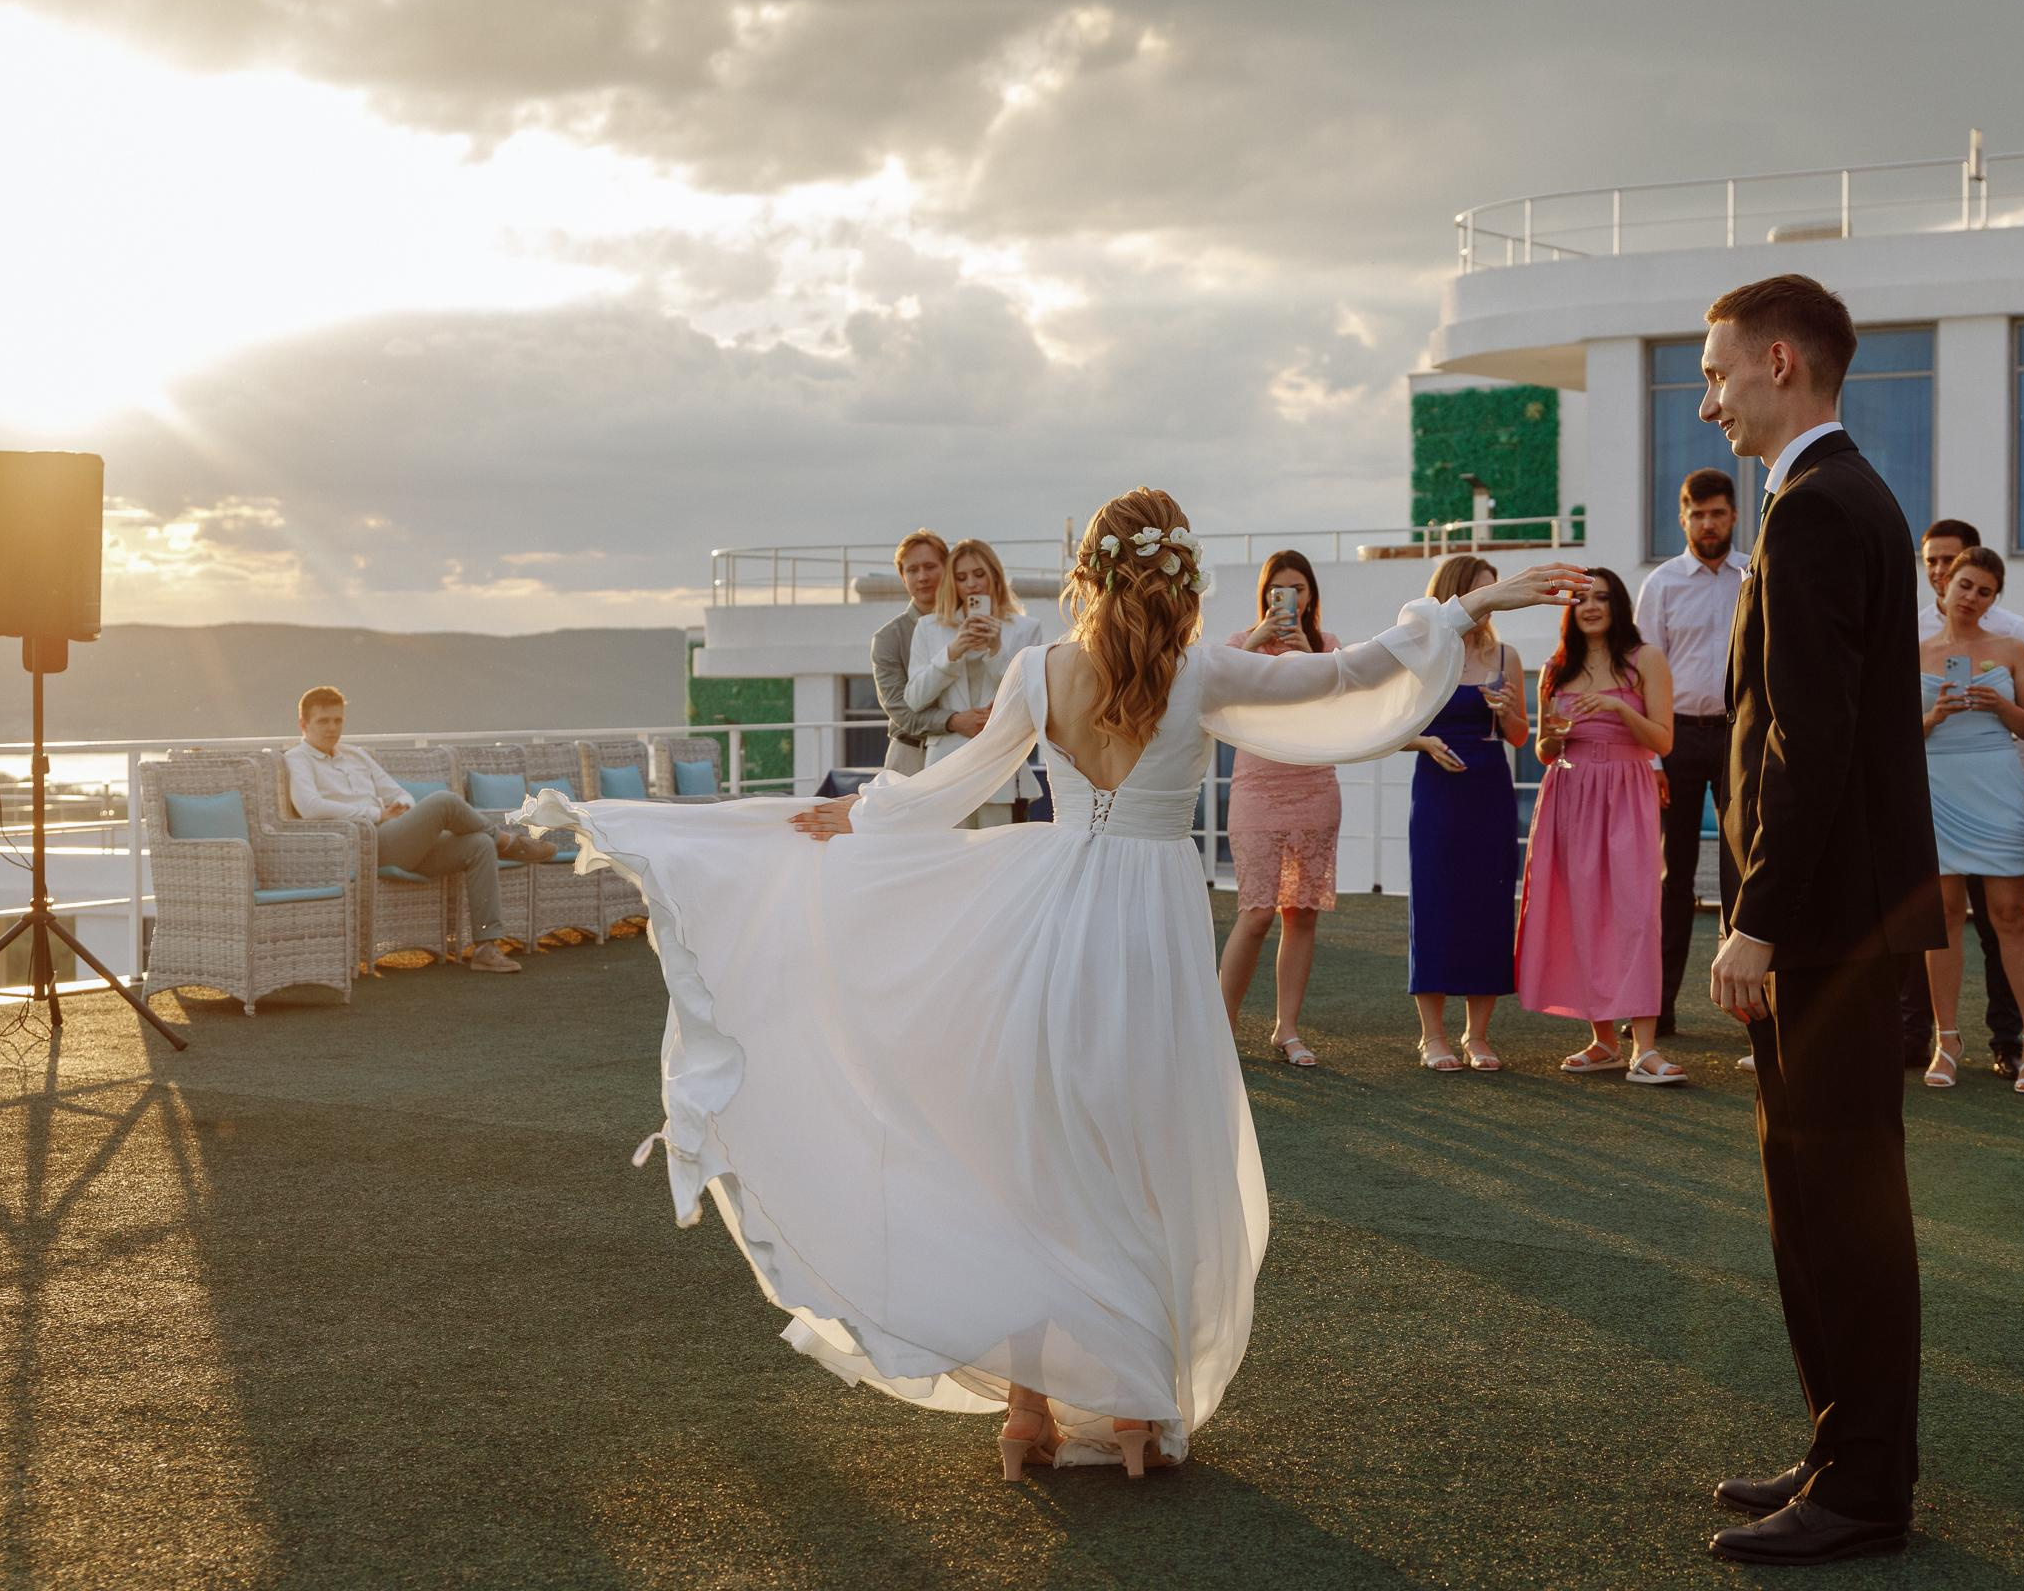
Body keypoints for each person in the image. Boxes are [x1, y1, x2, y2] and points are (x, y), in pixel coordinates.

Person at [520, 487, 1583, 1480]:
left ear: (1089, 572)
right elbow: (1352, 673)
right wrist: (1471, 604)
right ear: (1177, 575)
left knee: (1038, 1149)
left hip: (1048, 916)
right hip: (1152, 928)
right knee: (1139, 1150)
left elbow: (947, 788)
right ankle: (1130, 1414)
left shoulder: (1039, 673)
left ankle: (1029, 1408)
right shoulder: (1203, 672)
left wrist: (858, 815)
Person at [1702, 274, 1944, 1566]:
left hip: (1828, 931)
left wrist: (1760, 920)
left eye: (1719, 372)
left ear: (1781, 361)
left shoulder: (1816, 512)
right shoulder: (1834, 501)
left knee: (1841, 1204)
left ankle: (1863, 1487)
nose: (1709, 399)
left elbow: (1812, 741)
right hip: (1841, 922)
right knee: (1817, 1197)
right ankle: (1843, 1448)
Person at [1516, 568, 1683, 1084]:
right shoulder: (1555, 669)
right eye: (1582, 599)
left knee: (1636, 914)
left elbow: (1663, 741)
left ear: (1618, 606)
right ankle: (1603, 1040)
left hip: (1627, 790)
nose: (1591, 607)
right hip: (1570, 792)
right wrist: (1554, 739)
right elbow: (1544, 750)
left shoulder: (1645, 660)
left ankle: (1645, 1049)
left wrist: (1614, 705)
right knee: (1584, 912)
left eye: (1602, 598)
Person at [1895, 518, 2024, 1076]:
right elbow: (1891, 738)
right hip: (1937, 790)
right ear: (1945, 582)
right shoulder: (1909, 649)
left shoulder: (2011, 647)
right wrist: (1933, 716)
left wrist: (1999, 707)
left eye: (1984, 591)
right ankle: (1948, 1040)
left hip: (1997, 784)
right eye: (1965, 585)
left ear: (1993, 599)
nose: (1972, 597)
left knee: (2009, 914)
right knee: (1943, 915)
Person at [283, 686, 554, 975]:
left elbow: (399, 792)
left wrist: (402, 809)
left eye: (338, 720)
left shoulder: (356, 755)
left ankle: (486, 948)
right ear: (303, 724)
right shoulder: (296, 759)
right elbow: (311, 807)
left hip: (399, 837)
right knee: (444, 801)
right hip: (365, 844)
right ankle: (508, 842)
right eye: (323, 721)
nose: (332, 728)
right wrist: (376, 813)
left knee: (478, 845)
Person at [1633, 467, 1748, 1040]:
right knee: (1669, 879)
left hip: (1737, 735)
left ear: (1733, 516)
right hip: (1673, 737)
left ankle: (1753, 1014)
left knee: (1744, 873)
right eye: (1697, 514)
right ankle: (1657, 1007)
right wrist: (1651, 759)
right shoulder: (1661, 585)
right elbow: (1639, 677)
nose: (1708, 523)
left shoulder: (1754, 575)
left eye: (1718, 513)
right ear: (1683, 518)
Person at [1217, 551, 1342, 1067]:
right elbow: (1224, 690)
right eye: (1278, 589)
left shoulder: (1329, 647)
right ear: (1265, 593)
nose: (1289, 597)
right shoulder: (1236, 646)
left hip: (1315, 784)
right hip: (1257, 788)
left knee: (1302, 913)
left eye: (1298, 588)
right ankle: (1220, 1028)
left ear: (1310, 594)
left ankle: (1286, 1029)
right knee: (1257, 912)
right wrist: (1257, 640)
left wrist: (1308, 651)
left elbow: (1338, 705)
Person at [1404, 555, 1526, 1072]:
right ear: (1455, 596)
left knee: (1488, 904)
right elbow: (1389, 727)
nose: (1490, 602)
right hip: (1436, 790)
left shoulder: (1506, 654)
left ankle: (1477, 1035)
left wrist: (1508, 712)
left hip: (1490, 789)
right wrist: (1426, 743)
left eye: (1494, 592)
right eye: (1481, 592)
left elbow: (1521, 736)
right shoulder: (1424, 654)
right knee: (1434, 906)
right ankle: (1432, 1036)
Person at [903, 538, 1044, 827]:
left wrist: (996, 651)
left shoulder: (1026, 628)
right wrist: (952, 653)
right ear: (951, 582)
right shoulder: (929, 627)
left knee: (999, 860)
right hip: (946, 766)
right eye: (961, 577)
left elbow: (1029, 698)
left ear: (995, 575)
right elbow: (915, 698)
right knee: (948, 858)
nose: (971, 584)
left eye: (979, 574)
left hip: (1000, 764)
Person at [871, 529, 983, 774]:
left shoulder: (978, 624)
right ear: (902, 576)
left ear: (948, 568)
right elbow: (901, 710)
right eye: (912, 570)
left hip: (971, 750)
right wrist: (953, 721)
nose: (922, 576)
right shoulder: (888, 638)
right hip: (911, 756)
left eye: (930, 566)